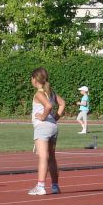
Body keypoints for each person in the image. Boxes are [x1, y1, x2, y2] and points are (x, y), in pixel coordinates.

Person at [28, 67, 67, 195]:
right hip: (53, 127)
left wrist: (43, 116)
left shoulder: (39, 94)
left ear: (34, 79)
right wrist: (55, 118)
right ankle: (55, 186)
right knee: (52, 158)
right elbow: (62, 103)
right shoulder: (51, 92)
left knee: (43, 156)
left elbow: (49, 106)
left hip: (42, 127)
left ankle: (40, 186)